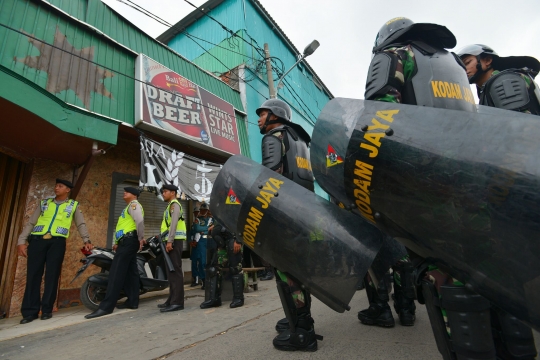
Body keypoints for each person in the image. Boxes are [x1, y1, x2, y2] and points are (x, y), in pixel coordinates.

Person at [364, 17, 499, 359]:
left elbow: (381, 122)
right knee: (483, 278)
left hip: (427, 190)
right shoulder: (452, 64)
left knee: (443, 278)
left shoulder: (397, 55)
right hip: (472, 186)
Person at [457, 44, 539, 360]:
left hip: (523, 194)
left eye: (467, 61)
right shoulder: (489, 89)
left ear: (486, 60)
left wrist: (497, 192)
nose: (463, 67)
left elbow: (524, 139)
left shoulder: (503, 82)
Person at [256, 99, 321, 352]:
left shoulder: (274, 137)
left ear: (275, 116)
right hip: (304, 212)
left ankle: (303, 332)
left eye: (263, 114)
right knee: (298, 271)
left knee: (287, 272)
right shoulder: (300, 141)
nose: (259, 119)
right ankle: (299, 317)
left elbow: (271, 176)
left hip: (284, 215)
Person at [17, 179, 92, 324]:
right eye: (56, 185)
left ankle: (46, 310)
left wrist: (86, 240)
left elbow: (80, 223)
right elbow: (31, 222)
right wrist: (21, 241)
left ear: (67, 190)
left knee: (52, 276)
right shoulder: (44, 203)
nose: (56, 188)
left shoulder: (73, 205)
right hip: (37, 241)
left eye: (60, 186)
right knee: (33, 275)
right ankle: (29, 312)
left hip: (57, 243)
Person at [85, 187, 145, 319]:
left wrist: (140, 238)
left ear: (134, 195)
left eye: (127, 192)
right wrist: (117, 241)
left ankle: (106, 307)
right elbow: (125, 227)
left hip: (130, 242)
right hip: (126, 242)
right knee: (131, 273)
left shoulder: (134, 205)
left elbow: (139, 221)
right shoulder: (128, 207)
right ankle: (132, 301)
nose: (124, 193)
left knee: (116, 273)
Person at [457, 44, 540, 114]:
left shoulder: (505, 81)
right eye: (460, 67)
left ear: (487, 61)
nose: (463, 69)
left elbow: (518, 125)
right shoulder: (486, 91)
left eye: (467, 63)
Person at [199, 222, 244, 309]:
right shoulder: (218, 209)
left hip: (233, 240)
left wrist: (238, 240)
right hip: (221, 242)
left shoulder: (235, 208)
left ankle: (238, 298)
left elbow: (242, 222)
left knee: (235, 268)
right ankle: (214, 299)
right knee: (214, 269)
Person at [157, 184, 187, 312]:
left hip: (174, 242)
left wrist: (170, 241)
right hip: (170, 241)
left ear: (173, 193)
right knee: (171, 273)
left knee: (175, 271)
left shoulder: (175, 205)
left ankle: (177, 302)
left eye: (165, 191)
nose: (163, 194)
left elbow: (174, 224)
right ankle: (172, 299)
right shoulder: (170, 206)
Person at [189, 202, 210, 289]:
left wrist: (205, 231)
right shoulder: (198, 219)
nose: (202, 211)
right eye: (201, 210)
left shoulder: (211, 219)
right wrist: (208, 229)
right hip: (200, 241)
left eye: (204, 210)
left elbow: (214, 228)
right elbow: (196, 229)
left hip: (209, 240)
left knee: (209, 262)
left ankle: (209, 280)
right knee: (201, 262)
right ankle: (203, 280)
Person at [189, 206, 201, 287]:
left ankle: (199, 280)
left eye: (197, 212)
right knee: (194, 262)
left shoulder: (202, 221)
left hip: (199, 244)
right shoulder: (194, 222)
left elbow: (200, 232)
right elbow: (191, 233)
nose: (196, 214)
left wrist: (196, 241)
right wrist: (191, 242)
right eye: (195, 213)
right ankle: (195, 279)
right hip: (194, 245)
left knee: (200, 262)